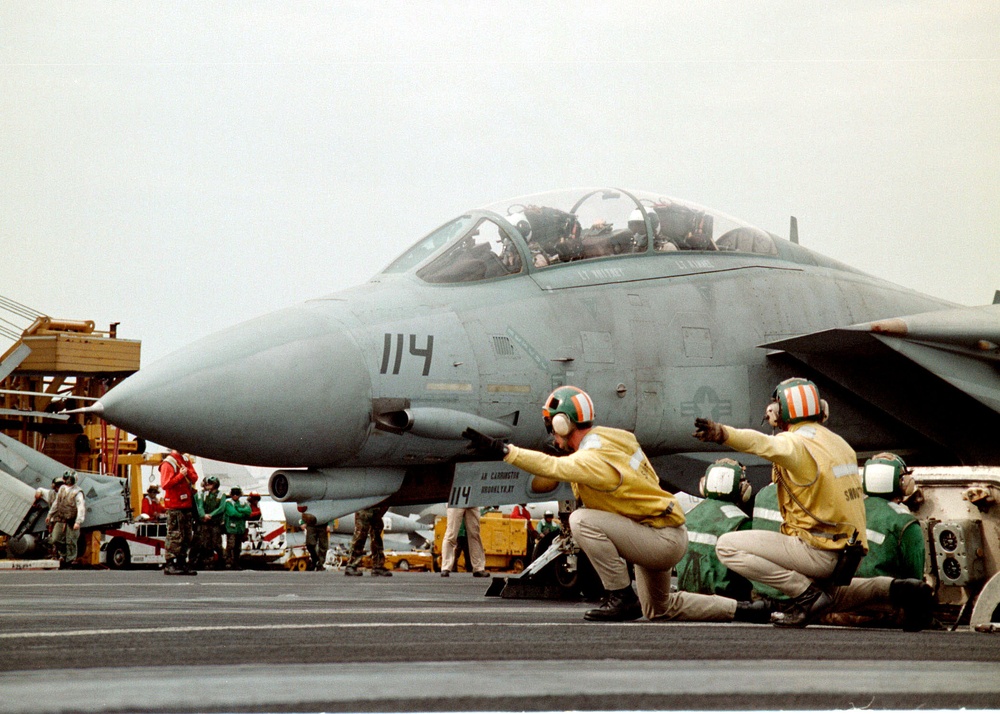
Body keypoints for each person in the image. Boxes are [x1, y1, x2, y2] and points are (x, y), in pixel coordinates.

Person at [466, 386, 766, 623]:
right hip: (661, 532)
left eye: (551, 426)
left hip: (657, 539)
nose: (550, 433)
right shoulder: (611, 438)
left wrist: (503, 450)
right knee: (660, 609)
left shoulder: (591, 459)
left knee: (582, 520)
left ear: (563, 423)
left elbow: (554, 471)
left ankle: (620, 595)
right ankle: (744, 610)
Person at [694, 377, 932, 629]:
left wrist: (723, 433)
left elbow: (761, 444)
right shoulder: (839, 443)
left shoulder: (795, 443)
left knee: (727, 547)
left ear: (780, 411)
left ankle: (806, 596)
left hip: (817, 549)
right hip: (849, 553)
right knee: (834, 597)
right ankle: (902, 589)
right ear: (822, 409)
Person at [675, 459, 755, 601]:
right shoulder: (741, 522)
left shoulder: (688, 516)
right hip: (725, 597)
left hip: (686, 594)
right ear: (742, 489)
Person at [159, 450, 199, 575]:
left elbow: (194, 477)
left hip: (186, 504)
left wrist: (186, 474)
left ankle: (181, 561)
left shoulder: (186, 459)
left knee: (186, 535)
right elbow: (165, 484)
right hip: (175, 505)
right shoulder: (168, 462)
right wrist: (181, 475)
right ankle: (170, 562)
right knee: (175, 534)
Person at [45, 473, 85, 566]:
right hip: (61, 519)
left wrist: (78, 522)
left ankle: (71, 560)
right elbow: (56, 503)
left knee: (71, 541)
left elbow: (81, 507)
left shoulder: (78, 492)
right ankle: (63, 555)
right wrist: (50, 515)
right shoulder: (62, 489)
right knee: (55, 538)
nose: (67, 480)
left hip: (72, 520)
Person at [440, 506, 488, 578]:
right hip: (457, 500)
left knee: (474, 534)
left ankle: (478, 568)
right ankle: (445, 567)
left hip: (471, 500)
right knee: (451, 533)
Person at [344, 504, 392, 576]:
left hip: (376, 509)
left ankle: (378, 566)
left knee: (377, 537)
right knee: (360, 536)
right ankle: (351, 565)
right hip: (364, 508)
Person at [194, 476, 226, 569]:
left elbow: (221, 508)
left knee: (217, 544)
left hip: (215, 523)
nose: (207, 485)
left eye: (210, 483)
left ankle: (221, 562)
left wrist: (210, 515)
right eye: (206, 483)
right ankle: (204, 562)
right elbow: (200, 506)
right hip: (203, 523)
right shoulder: (201, 494)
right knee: (203, 543)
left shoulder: (221, 495)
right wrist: (204, 515)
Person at [223, 487, 252, 569]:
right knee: (230, 545)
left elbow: (248, 511)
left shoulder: (243, 502)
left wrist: (239, 510)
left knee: (238, 547)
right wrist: (241, 514)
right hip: (231, 527)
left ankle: (236, 562)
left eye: (237, 494)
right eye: (234, 494)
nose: (235, 496)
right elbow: (232, 513)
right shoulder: (228, 502)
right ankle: (227, 562)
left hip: (240, 528)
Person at [298, 505, 329, 571]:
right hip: (311, 523)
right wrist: (303, 522)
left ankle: (320, 564)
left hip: (323, 523)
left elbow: (330, 510)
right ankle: (315, 559)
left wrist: (330, 524)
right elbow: (305, 509)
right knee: (309, 544)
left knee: (323, 546)